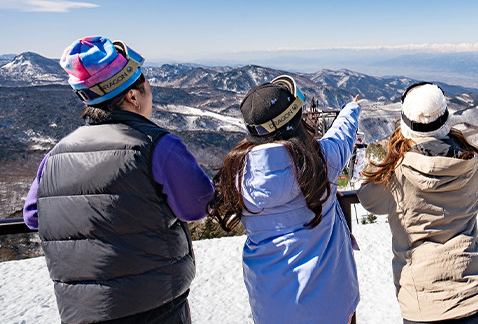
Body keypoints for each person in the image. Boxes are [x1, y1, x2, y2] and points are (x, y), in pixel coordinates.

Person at [22, 36, 215, 323]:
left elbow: (33, 216)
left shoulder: (55, 156)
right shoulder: (158, 146)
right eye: (148, 89)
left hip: (79, 313)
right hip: (154, 306)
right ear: (132, 97)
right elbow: (197, 206)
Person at [209, 76, 360, 324]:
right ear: (296, 122)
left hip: (271, 307)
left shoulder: (235, 176)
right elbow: (342, 136)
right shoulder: (321, 162)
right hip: (332, 305)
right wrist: (351, 109)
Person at [357, 82, 478, 324]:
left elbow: (368, 199)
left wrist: (390, 154)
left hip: (426, 305)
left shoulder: (396, 175)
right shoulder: (474, 165)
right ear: (446, 120)